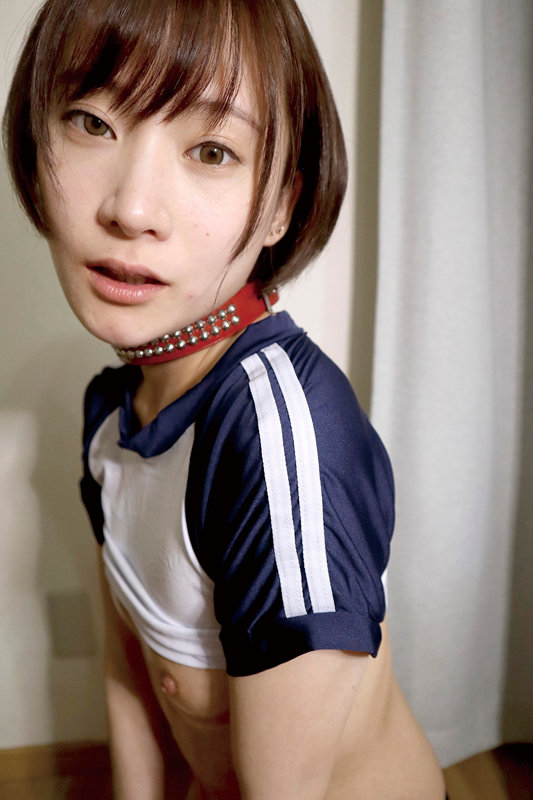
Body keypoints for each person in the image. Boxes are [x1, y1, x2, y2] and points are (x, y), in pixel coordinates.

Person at [3, 1, 447, 797]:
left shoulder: (280, 443)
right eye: (92, 122)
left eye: (211, 150)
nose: (131, 209)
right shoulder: (111, 410)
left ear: (279, 206)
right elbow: (130, 675)